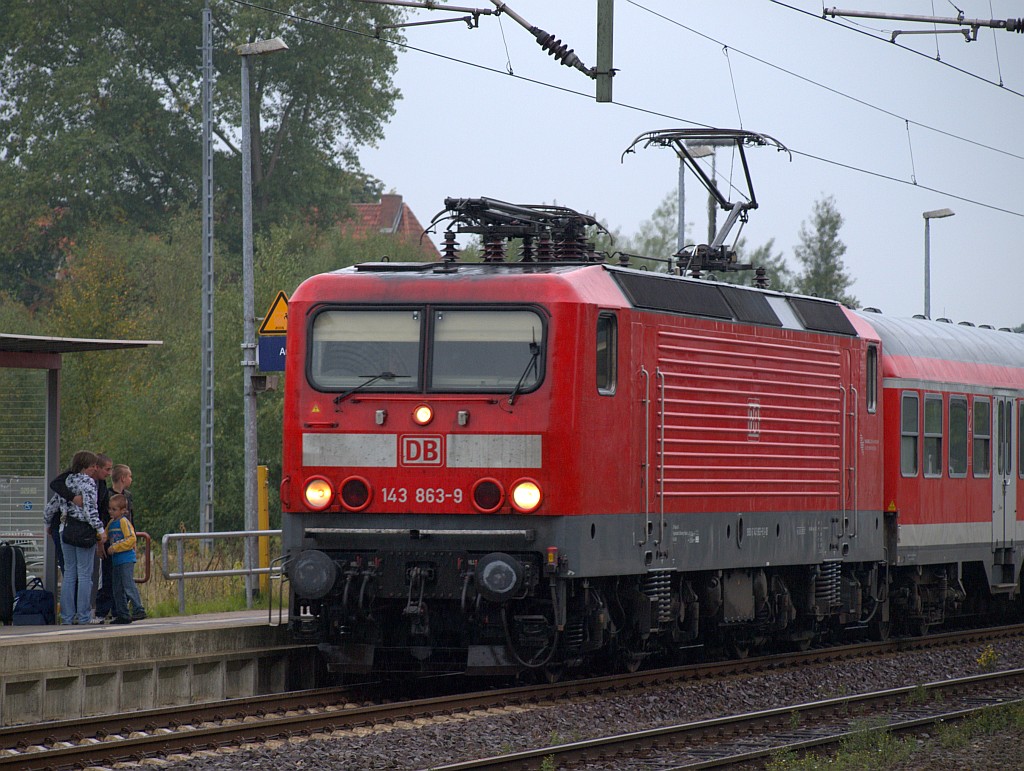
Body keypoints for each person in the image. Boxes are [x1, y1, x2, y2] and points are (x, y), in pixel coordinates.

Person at [52, 452, 113, 619]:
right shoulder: (88, 483)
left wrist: (47, 523)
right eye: (93, 465)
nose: (95, 468)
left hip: (65, 528)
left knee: (69, 574)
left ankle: (67, 616)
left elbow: (52, 505)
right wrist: (100, 529)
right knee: (85, 574)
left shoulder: (66, 481)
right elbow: (90, 510)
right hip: (84, 531)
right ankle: (84, 615)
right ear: (85, 467)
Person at [105, 494, 146, 624]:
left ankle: (138, 608)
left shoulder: (123, 522)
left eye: (114, 509)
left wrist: (116, 547)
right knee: (117, 587)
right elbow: (104, 535)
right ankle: (122, 613)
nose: (111, 512)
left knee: (128, 584)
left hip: (126, 558)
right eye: (110, 509)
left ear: (123, 510)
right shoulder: (111, 523)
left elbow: (131, 539)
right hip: (116, 560)